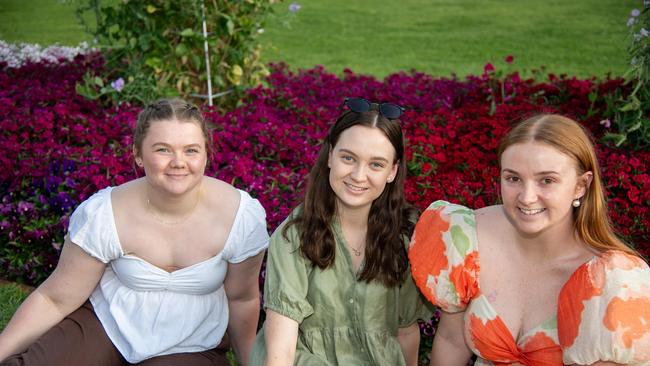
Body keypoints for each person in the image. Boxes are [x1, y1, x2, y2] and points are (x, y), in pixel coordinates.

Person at [0, 98, 269, 365]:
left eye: (191, 150)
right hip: (106, 326)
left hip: (191, 344)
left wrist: (250, 363)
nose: (178, 161)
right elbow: (55, 299)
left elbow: (241, 298)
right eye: (163, 149)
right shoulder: (105, 213)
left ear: (206, 154)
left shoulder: (239, 217)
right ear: (138, 155)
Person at [409, 114, 650, 366]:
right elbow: (452, 341)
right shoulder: (467, 238)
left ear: (581, 185)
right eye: (513, 178)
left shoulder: (612, 282)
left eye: (547, 180)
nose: (527, 197)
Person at [249, 97, 432, 366]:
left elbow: (405, 331)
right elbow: (281, 352)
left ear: (392, 171)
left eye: (376, 164)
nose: (358, 175)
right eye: (349, 158)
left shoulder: (406, 235)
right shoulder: (295, 236)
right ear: (331, 155)